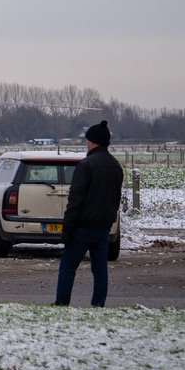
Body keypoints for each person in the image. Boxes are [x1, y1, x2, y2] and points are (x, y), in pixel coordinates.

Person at [55, 120, 123, 307]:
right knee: (100, 269)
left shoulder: (86, 165)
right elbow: (116, 198)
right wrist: (109, 220)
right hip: (103, 227)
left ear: (93, 141)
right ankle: (98, 304)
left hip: (82, 226)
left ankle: (62, 303)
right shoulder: (116, 166)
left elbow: (75, 200)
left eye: (87, 140)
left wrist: (67, 227)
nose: (86, 143)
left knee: (68, 267)